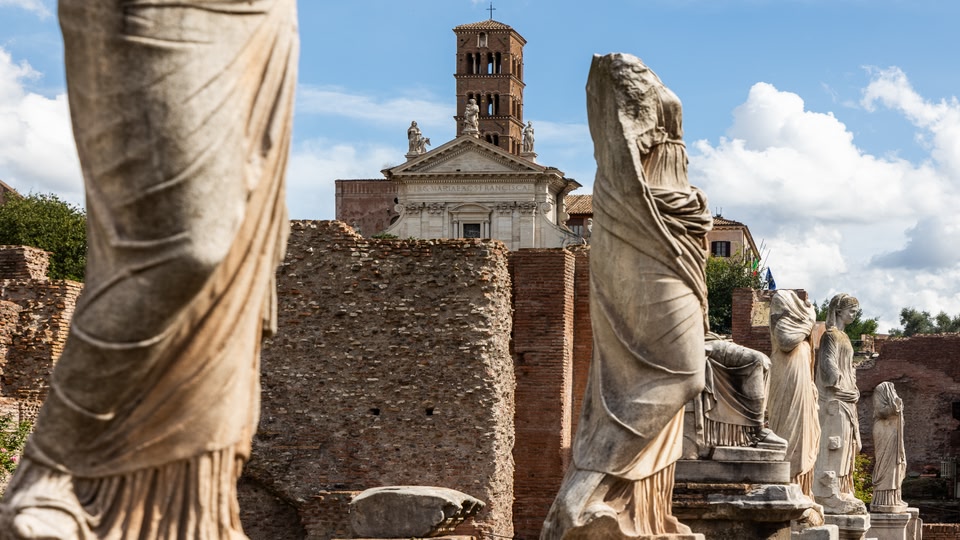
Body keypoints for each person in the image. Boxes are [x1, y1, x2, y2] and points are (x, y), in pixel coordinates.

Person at [0, 0, 298, 537]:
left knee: (235, 272)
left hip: (261, 15)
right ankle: (49, 466)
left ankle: (186, 512)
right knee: (187, 245)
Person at [542, 53, 710, 539]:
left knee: (672, 378)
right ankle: (583, 492)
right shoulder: (621, 69)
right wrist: (655, 205)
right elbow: (619, 139)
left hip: (674, 222)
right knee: (682, 373)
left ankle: (644, 513)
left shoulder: (647, 79)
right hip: (642, 224)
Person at [813, 293, 866, 514]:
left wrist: (853, 390)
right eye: (851, 310)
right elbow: (828, 365)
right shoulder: (830, 336)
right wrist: (840, 387)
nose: (854, 315)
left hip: (847, 399)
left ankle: (842, 488)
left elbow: (848, 368)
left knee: (846, 446)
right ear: (838, 311)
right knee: (833, 443)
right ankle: (826, 492)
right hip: (834, 399)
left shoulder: (843, 336)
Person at [768, 290, 821, 496]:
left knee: (804, 431)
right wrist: (810, 320)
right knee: (787, 431)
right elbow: (786, 340)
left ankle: (802, 490)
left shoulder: (803, 333)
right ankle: (788, 483)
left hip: (803, 387)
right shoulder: (786, 319)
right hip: (786, 383)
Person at [872, 382, 907, 512]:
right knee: (885, 464)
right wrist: (895, 407)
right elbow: (880, 411)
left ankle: (894, 497)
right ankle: (882, 499)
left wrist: (897, 406)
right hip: (884, 430)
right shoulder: (879, 389)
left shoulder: (892, 389)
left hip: (893, 430)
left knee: (896, 465)